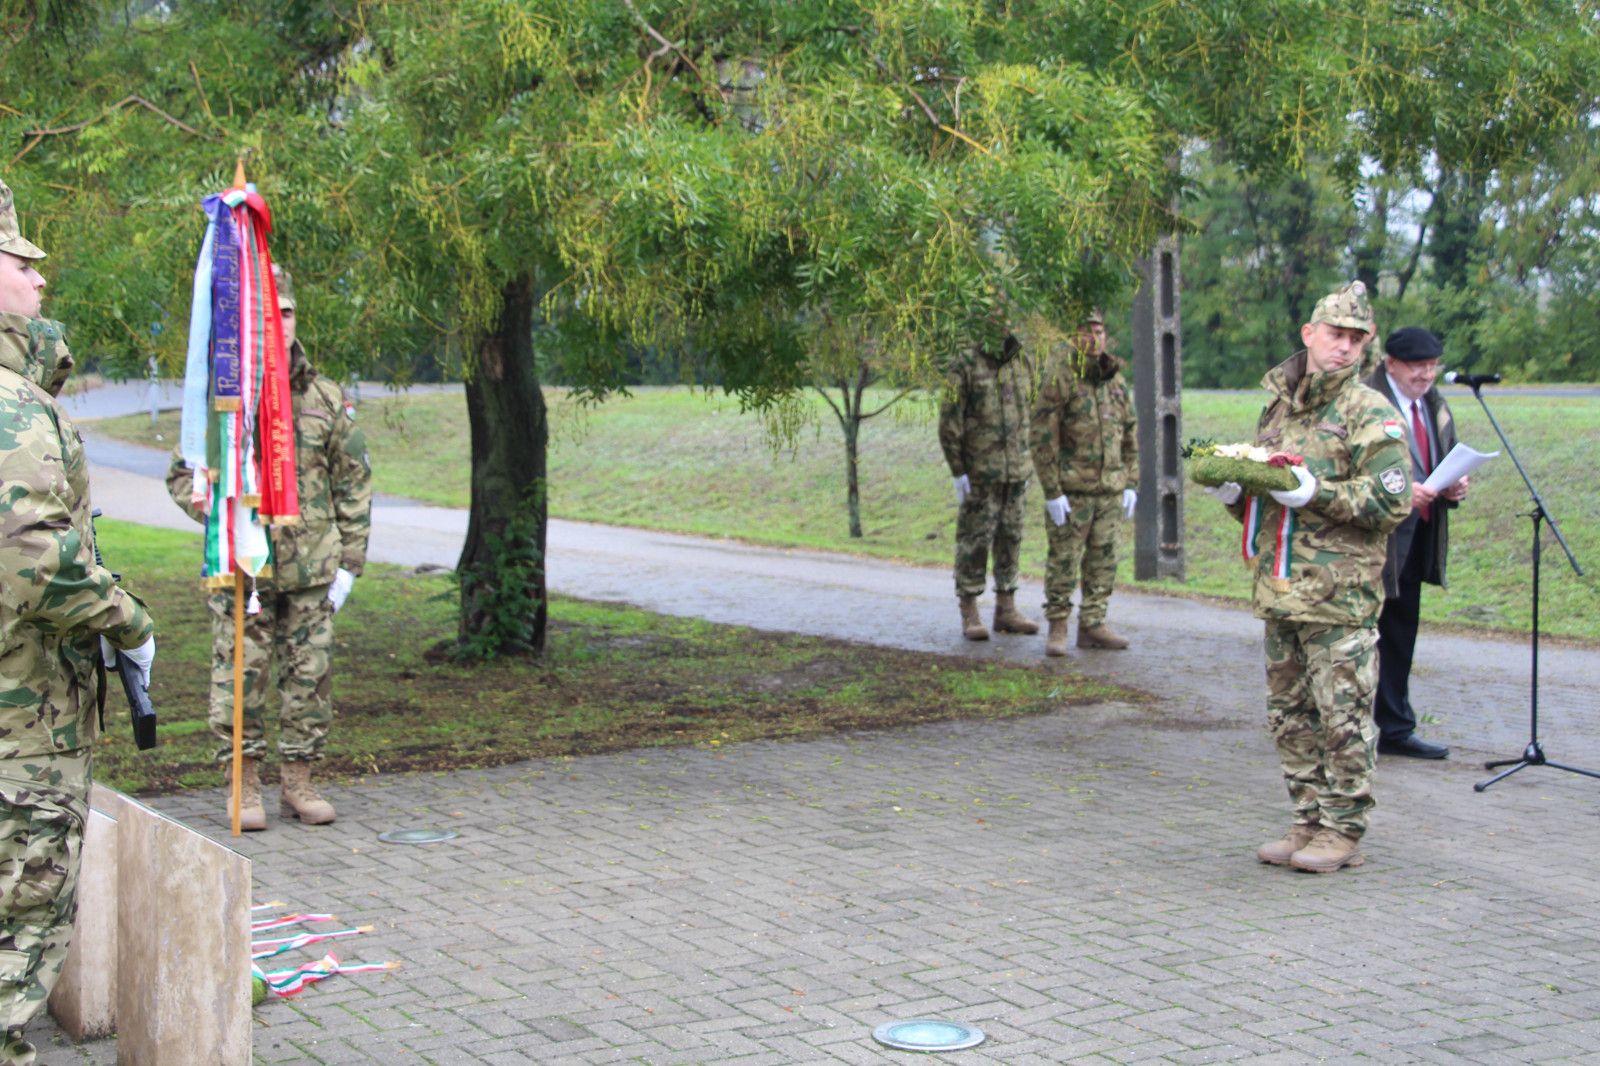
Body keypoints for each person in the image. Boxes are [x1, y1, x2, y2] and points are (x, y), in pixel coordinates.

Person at [0, 179, 155, 1065]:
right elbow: (38, 564)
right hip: (21, 733)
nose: (39, 279)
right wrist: (128, 619)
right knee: (18, 942)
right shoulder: (12, 407)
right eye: (22, 263)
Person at [1206, 281, 1411, 873]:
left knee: (1341, 716)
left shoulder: (1370, 410)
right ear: (1309, 334)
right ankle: (1306, 818)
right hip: (1281, 591)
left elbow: (1392, 501)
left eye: (1356, 339)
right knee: (1290, 716)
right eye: (1335, 334)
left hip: (1339, 596)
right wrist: (1234, 494)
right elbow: (1270, 502)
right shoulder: (1279, 407)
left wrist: (1317, 492)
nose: (1344, 347)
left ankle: (1342, 830)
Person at [166, 265, 371, 830]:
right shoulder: (221, 399)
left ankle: (299, 783)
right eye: (267, 313)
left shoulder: (325, 397)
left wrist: (350, 562)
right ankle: (244, 785)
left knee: (310, 679)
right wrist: (221, 514)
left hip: (311, 569)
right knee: (241, 679)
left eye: (287, 312)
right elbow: (183, 475)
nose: (280, 323)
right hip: (243, 569)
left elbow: (354, 483)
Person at [1363, 327, 1466, 759]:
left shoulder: (1434, 404)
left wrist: (1454, 486)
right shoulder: (1366, 402)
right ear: (1391, 365)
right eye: (1417, 367)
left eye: (1432, 366)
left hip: (1416, 537)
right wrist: (1403, 494)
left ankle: (1395, 728)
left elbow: (1444, 455)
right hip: (1372, 542)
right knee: (1360, 635)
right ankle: (1335, 727)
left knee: (1401, 632)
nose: (1426, 375)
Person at [1029, 309, 1138, 656]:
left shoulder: (1115, 382)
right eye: (1087, 331)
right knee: (1064, 561)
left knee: (1104, 561)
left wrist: (1131, 482)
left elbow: (1130, 435)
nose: (1094, 338)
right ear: (1074, 337)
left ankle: (1093, 624)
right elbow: (1043, 438)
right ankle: (1058, 626)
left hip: (1110, 489)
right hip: (1072, 491)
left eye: (1099, 331)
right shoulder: (1060, 379)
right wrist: (1052, 491)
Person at [938, 308, 1038, 641]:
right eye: (993, 316)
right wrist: (958, 470)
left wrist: (1029, 459)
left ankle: (1006, 608)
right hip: (980, 473)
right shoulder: (965, 364)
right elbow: (949, 422)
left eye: (1005, 315)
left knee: (1011, 538)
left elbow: (1032, 414)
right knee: (974, 541)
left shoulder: (1022, 362)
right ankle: (969, 609)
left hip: (1016, 471)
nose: (1001, 323)